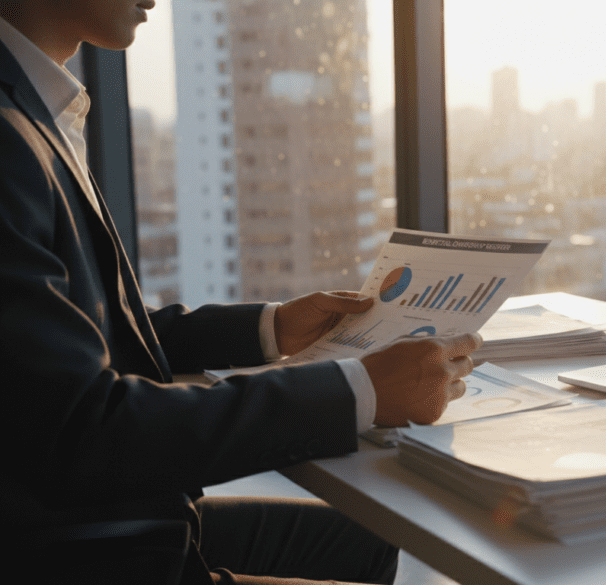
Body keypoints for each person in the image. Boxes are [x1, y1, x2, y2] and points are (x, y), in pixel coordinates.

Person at [0, 1, 482, 583]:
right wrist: (360, 391)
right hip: (75, 549)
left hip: (89, 519)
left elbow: (75, 339)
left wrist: (268, 328)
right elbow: (82, 433)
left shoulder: (34, 108)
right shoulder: (8, 136)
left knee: (376, 544)